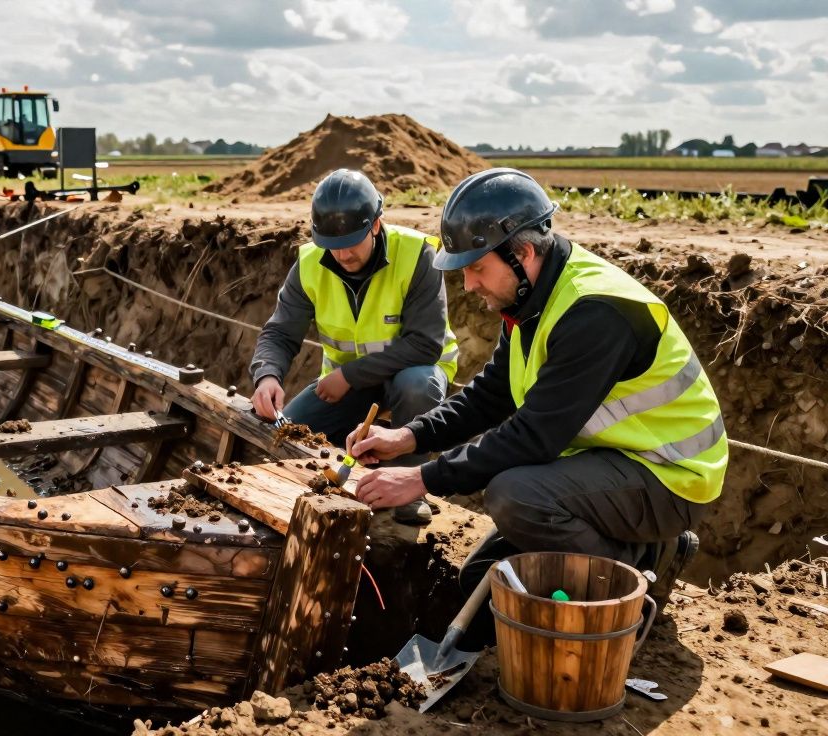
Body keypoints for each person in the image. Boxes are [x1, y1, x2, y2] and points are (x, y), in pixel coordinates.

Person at [347, 168, 727, 644]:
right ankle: (640, 553)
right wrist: (408, 437)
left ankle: (637, 581)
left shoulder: (594, 312)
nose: (468, 285)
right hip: (610, 463)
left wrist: (421, 478)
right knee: (480, 584)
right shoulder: (532, 298)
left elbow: (534, 435)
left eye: (476, 267)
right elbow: (492, 395)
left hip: (670, 477)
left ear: (522, 252)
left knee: (515, 496)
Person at [250, 168, 459, 524]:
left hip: (411, 377)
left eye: (351, 242)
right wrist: (267, 376)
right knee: (289, 431)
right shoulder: (309, 265)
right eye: (332, 245)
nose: (342, 255)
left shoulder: (418, 255)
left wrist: (349, 374)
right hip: (347, 387)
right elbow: (279, 334)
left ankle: (408, 490)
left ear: (375, 225)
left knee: (416, 384)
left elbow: (425, 345)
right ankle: (331, 487)